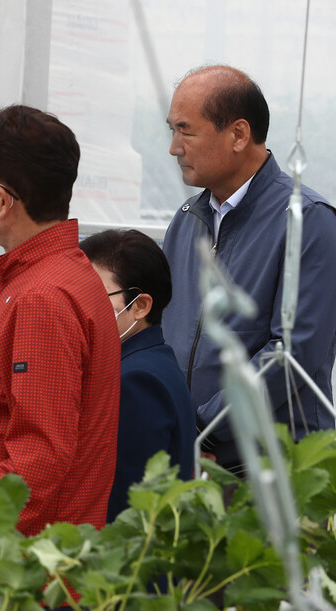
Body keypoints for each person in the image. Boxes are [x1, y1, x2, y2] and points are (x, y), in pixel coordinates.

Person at [0, 104, 121, 536]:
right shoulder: (63, 274)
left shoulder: (42, 297)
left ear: (1, 200)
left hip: (16, 571)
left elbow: (36, 459)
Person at [162, 65, 336, 472]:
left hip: (278, 468)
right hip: (195, 456)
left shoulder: (307, 220)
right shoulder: (187, 219)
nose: (173, 147)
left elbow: (292, 353)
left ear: (238, 134)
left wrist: (203, 424)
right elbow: (164, 333)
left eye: (185, 130)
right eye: (171, 130)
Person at [79, 229, 195, 521]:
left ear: (140, 306)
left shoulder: (137, 379)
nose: (80, 307)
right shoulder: (148, 361)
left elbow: (126, 501)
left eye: (93, 294)